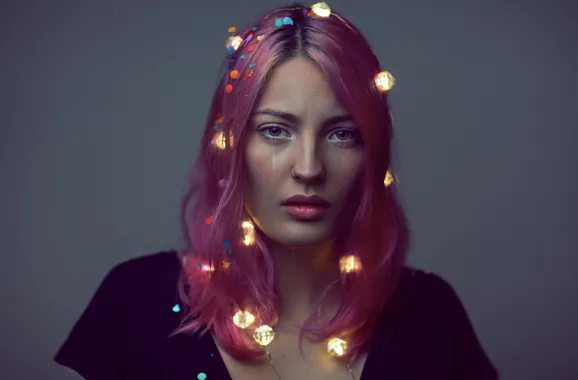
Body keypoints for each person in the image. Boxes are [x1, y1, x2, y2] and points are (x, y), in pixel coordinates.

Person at [54, 2, 498, 379]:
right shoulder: (135, 303)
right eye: (275, 130)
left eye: (342, 134)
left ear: (373, 155)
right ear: (230, 145)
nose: (308, 168)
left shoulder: (430, 314)